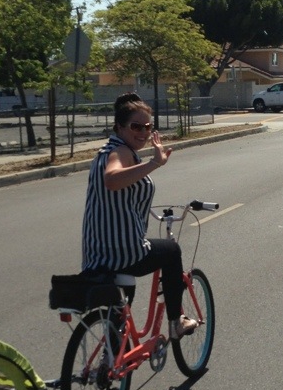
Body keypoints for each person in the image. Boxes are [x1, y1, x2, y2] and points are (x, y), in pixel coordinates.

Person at [82, 92, 197, 340]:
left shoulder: (105, 151)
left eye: (148, 126)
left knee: (120, 322)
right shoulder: (120, 152)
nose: (143, 132)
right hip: (124, 252)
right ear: (119, 127)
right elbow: (112, 180)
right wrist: (154, 163)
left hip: (96, 254)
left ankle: (114, 353)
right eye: (136, 126)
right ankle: (176, 322)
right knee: (171, 251)